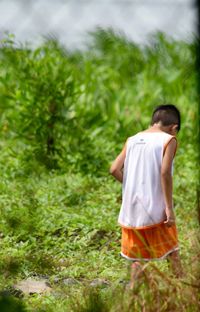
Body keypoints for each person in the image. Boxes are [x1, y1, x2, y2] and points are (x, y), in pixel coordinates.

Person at [109, 104, 183, 288]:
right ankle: (184, 292)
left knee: (137, 260)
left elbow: (114, 169)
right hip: (156, 210)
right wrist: (169, 208)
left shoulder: (132, 140)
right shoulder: (168, 140)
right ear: (174, 128)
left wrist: (132, 187)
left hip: (132, 211)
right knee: (173, 252)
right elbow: (165, 173)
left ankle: (132, 299)